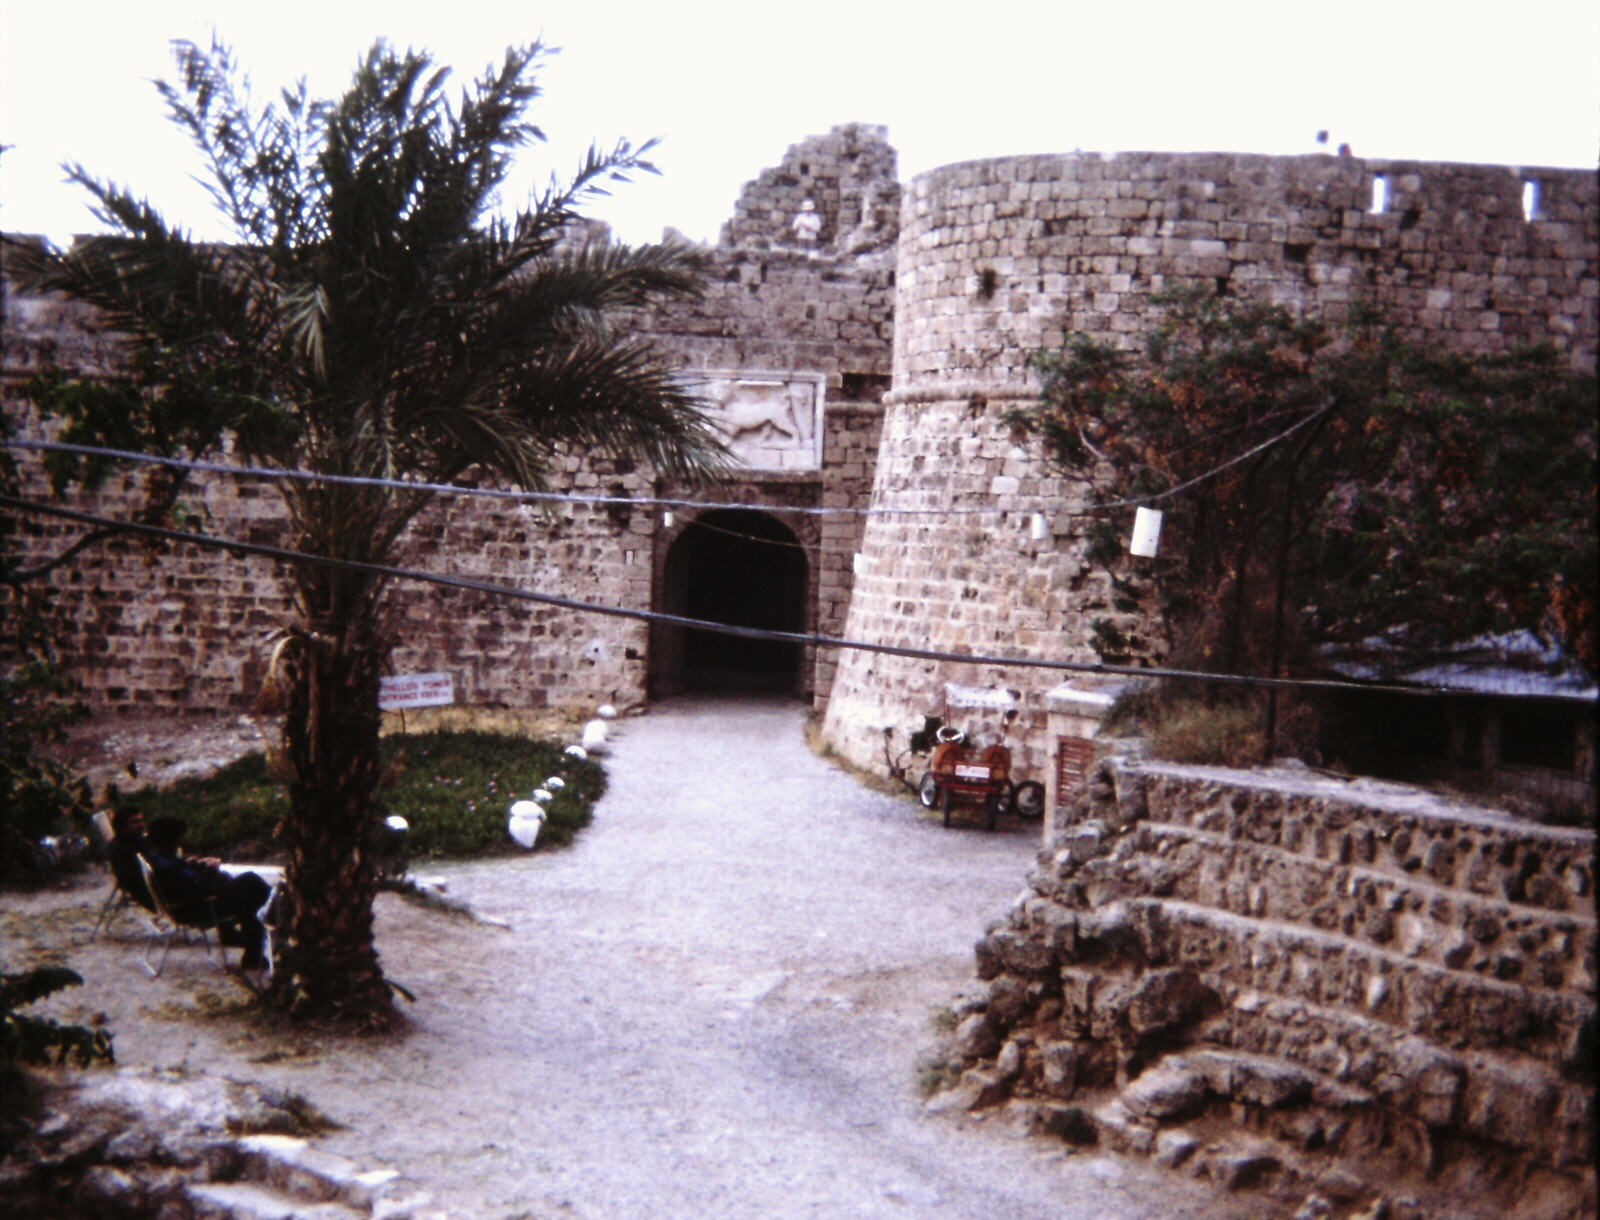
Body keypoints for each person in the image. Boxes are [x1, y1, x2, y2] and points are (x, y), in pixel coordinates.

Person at [136, 813, 274, 971]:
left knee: (240, 891)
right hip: (197, 910)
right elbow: (198, 889)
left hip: (188, 905)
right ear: (171, 841)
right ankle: (252, 947)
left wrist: (197, 865)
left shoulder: (160, 859)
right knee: (251, 885)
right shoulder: (166, 867)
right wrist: (210, 870)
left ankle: (243, 942)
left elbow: (183, 873)